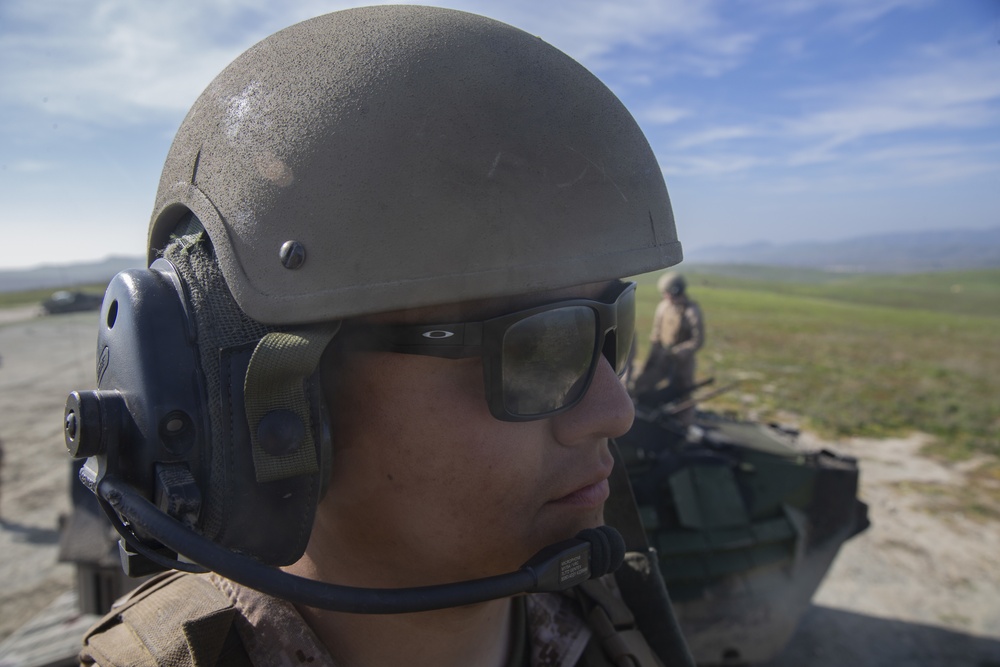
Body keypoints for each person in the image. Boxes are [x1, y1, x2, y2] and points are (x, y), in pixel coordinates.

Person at [71, 6, 694, 666]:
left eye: (611, 328)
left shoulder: (614, 628)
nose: (615, 412)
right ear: (267, 410)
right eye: (537, 348)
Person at [631, 273, 704, 423]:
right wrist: (653, 356)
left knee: (683, 393)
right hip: (662, 356)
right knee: (643, 383)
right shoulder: (663, 307)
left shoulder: (692, 311)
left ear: (675, 291)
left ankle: (684, 425)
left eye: (666, 293)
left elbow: (698, 340)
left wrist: (681, 351)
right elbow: (656, 334)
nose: (664, 296)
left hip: (682, 361)